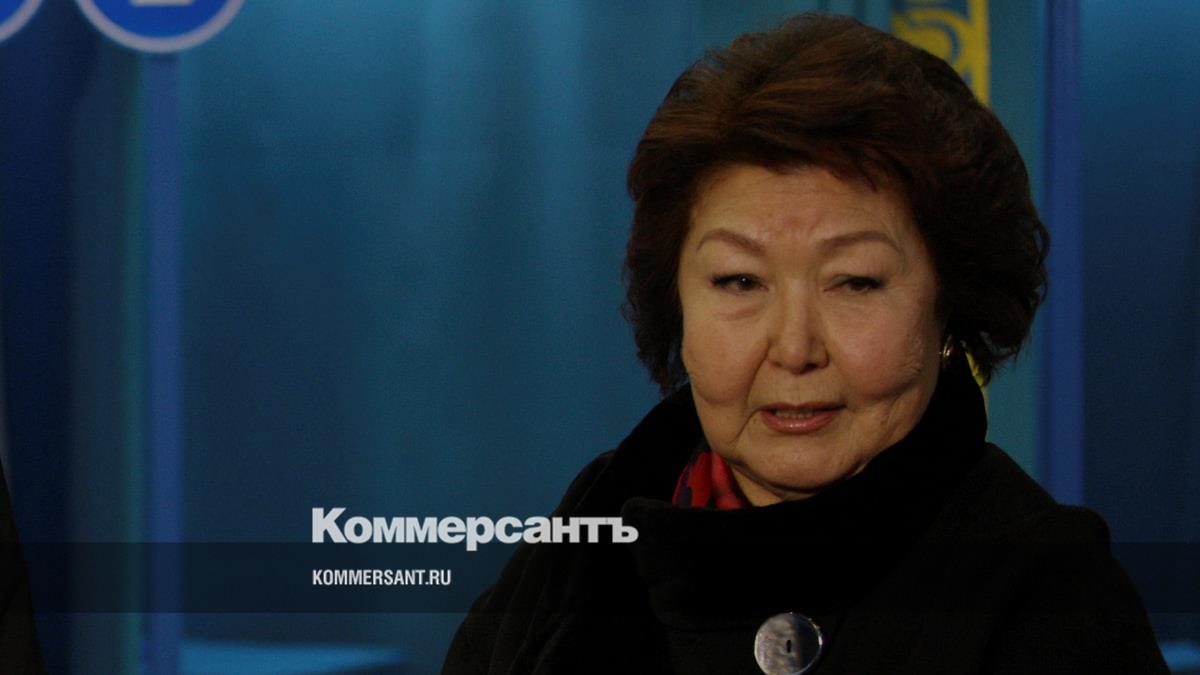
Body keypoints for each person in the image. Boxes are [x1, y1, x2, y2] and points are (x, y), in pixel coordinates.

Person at [443, 13, 1167, 674]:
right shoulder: (584, 541)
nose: (794, 349)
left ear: (949, 304)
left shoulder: (1047, 591)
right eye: (739, 281)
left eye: (854, 282)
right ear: (677, 304)